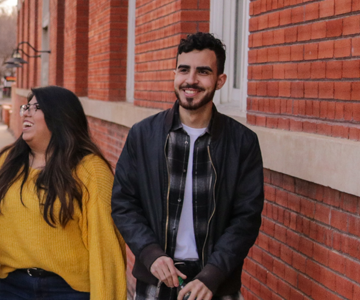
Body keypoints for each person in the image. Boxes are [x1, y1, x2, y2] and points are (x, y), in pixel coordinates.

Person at [111, 32, 264, 300]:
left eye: (203, 72)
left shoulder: (242, 142)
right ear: (175, 74)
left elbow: (246, 219)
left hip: (215, 285)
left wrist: (212, 274)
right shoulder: (143, 135)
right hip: (155, 282)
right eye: (184, 70)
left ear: (220, 80)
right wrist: (150, 254)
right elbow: (124, 204)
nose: (190, 80)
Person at [0, 86, 127, 300]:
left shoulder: (90, 170)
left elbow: (106, 248)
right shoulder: (8, 162)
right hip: (13, 288)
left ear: (60, 116)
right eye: (25, 107)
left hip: (69, 291)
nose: (26, 112)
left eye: (35, 107)